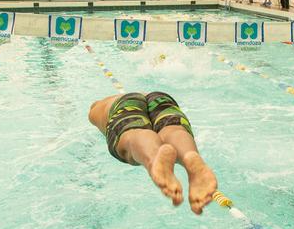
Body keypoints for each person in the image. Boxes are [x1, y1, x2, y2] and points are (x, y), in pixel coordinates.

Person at [88, 91, 218, 215]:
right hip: (161, 98)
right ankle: (189, 155)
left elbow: (94, 112)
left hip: (123, 105)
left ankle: (154, 158)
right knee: (172, 130)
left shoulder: (97, 107)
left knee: (133, 135)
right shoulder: (108, 101)